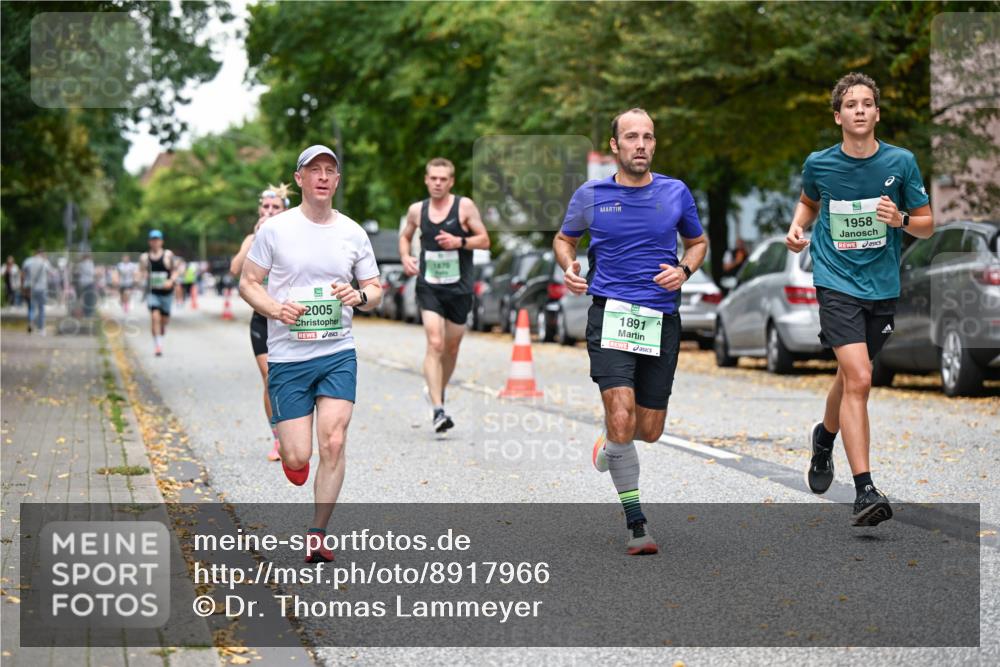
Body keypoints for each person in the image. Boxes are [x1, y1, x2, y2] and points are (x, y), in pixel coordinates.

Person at [554, 108, 707, 555]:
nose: (641, 144)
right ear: (615, 145)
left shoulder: (675, 192)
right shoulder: (591, 195)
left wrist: (684, 270)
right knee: (621, 415)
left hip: (660, 318)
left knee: (649, 429)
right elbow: (565, 239)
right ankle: (637, 523)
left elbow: (697, 243)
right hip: (611, 314)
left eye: (648, 137)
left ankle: (611, 444)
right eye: (632, 137)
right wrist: (569, 266)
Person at [785, 73, 934, 526]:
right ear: (838, 116)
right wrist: (798, 226)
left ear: (877, 113)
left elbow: (927, 224)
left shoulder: (901, 162)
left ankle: (824, 438)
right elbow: (809, 201)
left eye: (867, 103)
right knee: (862, 379)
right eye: (851, 105)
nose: (860, 110)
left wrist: (901, 218)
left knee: (850, 376)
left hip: (882, 286)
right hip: (835, 282)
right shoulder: (820, 163)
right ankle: (864, 488)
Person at [239, 145, 382, 563]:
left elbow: (374, 288)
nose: (322, 176)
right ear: (299, 179)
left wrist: (358, 296)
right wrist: (274, 308)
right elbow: (248, 282)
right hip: (288, 356)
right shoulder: (275, 230)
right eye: (313, 170)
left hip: (337, 352)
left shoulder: (352, 232)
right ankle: (292, 457)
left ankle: (317, 532)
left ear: (337, 181)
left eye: (329, 171)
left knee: (334, 441)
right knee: (298, 455)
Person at [399, 158, 490, 432]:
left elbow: (485, 240)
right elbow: (405, 236)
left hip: (459, 288)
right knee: (435, 342)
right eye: (433, 178)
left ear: (451, 182)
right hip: (429, 286)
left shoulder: (464, 207)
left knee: (451, 347)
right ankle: (438, 410)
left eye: (443, 179)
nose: (438, 183)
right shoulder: (417, 210)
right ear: (426, 180)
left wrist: (459, 241)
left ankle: (437, 388)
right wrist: (405, 256)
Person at [231, 183, 293, 461]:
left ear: (284, 211)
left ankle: (295, 431)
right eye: (265, 206)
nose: (269, 211)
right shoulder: (252, 238)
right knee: (271, 377)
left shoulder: (292, 235)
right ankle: (278, 438)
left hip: (289, 318)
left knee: (291, 379)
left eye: (275, 207)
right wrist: (256, 238)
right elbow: (235, 268)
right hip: (262, 319)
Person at [138, 230, 180, 357]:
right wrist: (143, 276)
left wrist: (170, 281)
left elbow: (176, 271)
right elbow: (141, 272)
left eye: (157, 240)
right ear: (149, 242)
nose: (155, 242)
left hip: (166, 293)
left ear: (161, 241)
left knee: (164, 320)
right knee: (154, 317)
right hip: (153, 292)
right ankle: (158, 345)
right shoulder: (144, 257)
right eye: (153, 240)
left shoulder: (168, 255)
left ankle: (162, 330)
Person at [21, 248, 55, 335]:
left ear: (35, 253)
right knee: (41, 308)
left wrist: (23, 287)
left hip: (30, 288)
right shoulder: (45, 262)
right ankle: (41, 329)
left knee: (31, 307)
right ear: (43, 254)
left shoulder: (28, 261)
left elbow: (23, 274)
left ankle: (30, 323)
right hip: (42, 288)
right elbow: (52, 273)